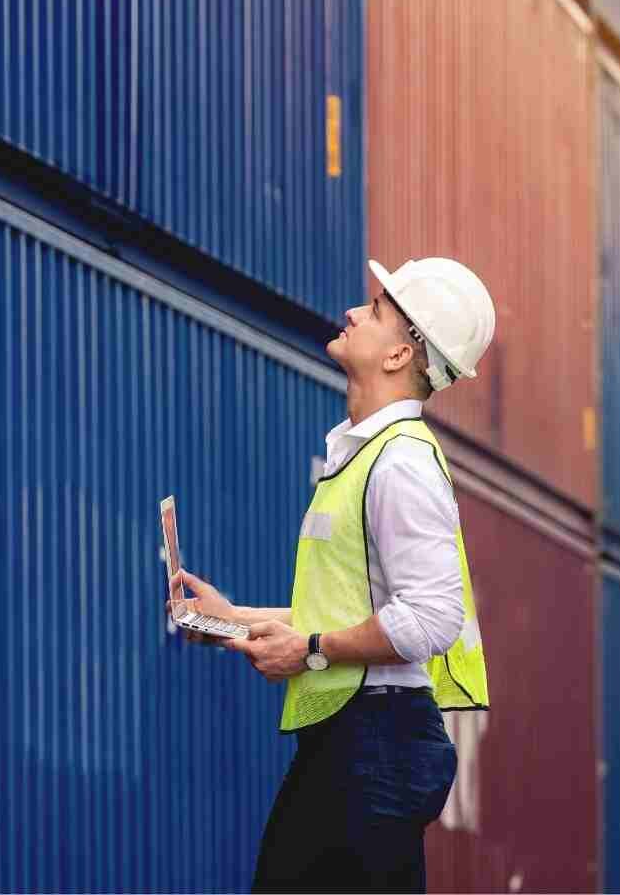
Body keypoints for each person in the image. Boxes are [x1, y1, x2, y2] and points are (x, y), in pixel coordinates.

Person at [170, 257, 495, 894]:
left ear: (401, 354)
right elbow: (347, 606)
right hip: (360, 746)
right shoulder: (363, 457)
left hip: (376, 747)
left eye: (375, 310)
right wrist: (233, 619)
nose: (352, 311)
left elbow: (431, 617)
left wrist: (311, 652)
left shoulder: (399, 463)